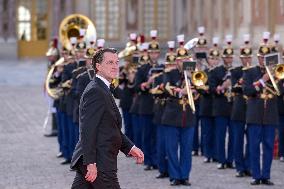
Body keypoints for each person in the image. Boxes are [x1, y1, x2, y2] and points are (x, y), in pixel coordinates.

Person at [71, 48, 144, 189]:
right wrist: (91, 163)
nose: (115, 66)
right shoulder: (96, 91)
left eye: (117, 62)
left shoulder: (103, 88)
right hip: (99, 162)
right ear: (98, 66)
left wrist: (130, 147)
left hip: (95, 160)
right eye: (110, 62)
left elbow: (110, 127)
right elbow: (87, 130)